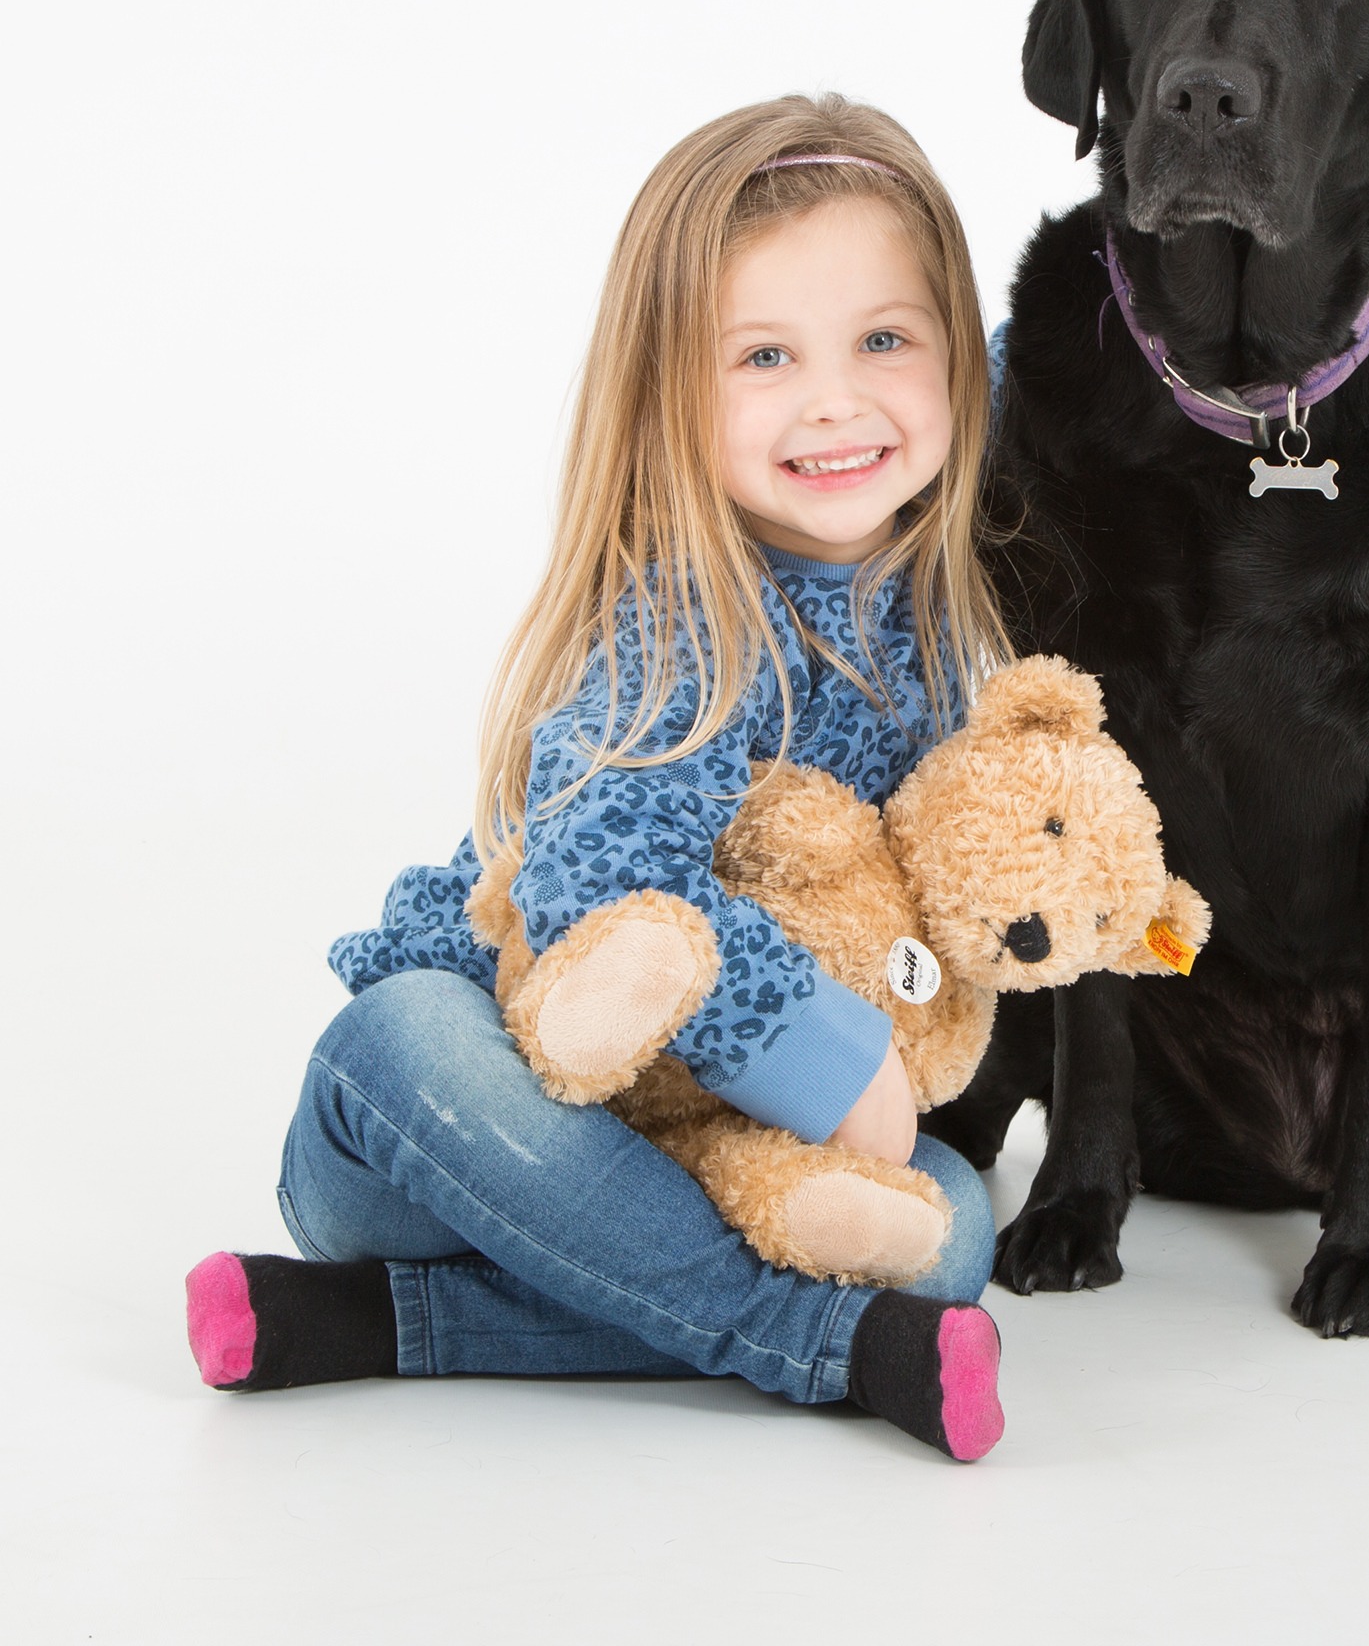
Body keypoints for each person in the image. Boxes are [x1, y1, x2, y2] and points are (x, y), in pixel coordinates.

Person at [184, 95, 1015, 1461]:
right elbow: (600, 883)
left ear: (956, 368)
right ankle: (814, 1348)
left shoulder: (930, 615)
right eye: (764, 356)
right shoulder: (677, 616)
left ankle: (390, 1328)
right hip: (463, 1127)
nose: (837, 400)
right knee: (394, 1034)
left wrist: (920, 1007)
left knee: (957, 1233)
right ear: (669, 393)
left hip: (692, 1150)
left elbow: (916, 933)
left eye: (884, 339)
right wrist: (826, 1053)